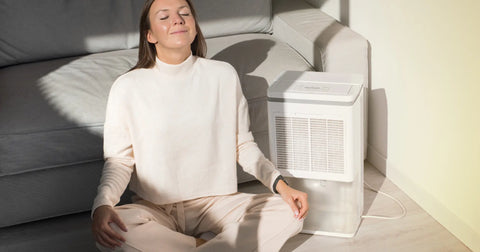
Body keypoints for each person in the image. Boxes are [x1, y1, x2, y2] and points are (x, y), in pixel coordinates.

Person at [91, 0, 309, 251]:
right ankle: (210, 245)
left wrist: (280, 184)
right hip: (156, 208)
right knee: (116, 229)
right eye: (164, 17)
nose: (177, 19)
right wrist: (103, 204)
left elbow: (243, 144)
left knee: (289, 211)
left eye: (184, 14)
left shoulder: (222, 75)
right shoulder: (127, 87)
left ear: (194, 28)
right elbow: (119, 160)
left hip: (218, 202)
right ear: (149, 35)